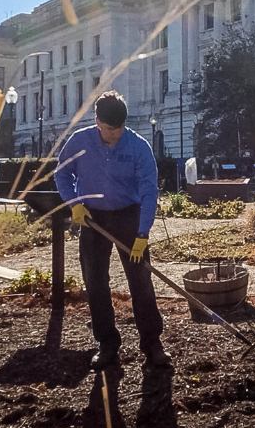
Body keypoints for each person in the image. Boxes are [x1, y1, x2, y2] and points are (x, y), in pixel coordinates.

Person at [55, 91, 170, 370]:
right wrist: (75, 204)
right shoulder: (79, 142)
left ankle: (152, 344)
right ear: (97, 122)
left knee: (140, 281)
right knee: (95, 282)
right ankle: (107, 344)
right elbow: (61, 174)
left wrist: (142, 234)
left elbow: (147, 191)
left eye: (118, 129)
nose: (114, 134)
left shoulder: (138, 147)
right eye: (108, 129)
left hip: (128, 217)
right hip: (93, 219)